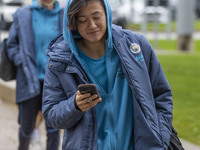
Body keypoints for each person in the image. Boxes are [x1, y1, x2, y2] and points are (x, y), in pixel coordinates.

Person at [42, 0, 173, 149]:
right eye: (83, 20)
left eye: (96, 16)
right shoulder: (60, 61)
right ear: (73, 23)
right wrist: (74, 105)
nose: (92, 25)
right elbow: (51, 115)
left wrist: (159, 138)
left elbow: (162, 96)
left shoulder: (137, 47)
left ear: (107, 13)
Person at [6, 0, 64, 149]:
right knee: (26, 127)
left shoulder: (65, 15)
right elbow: (11, 45)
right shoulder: (23, 14)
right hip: (28, 79)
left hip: (55, 81)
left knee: (53, 128)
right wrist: (21, 60)